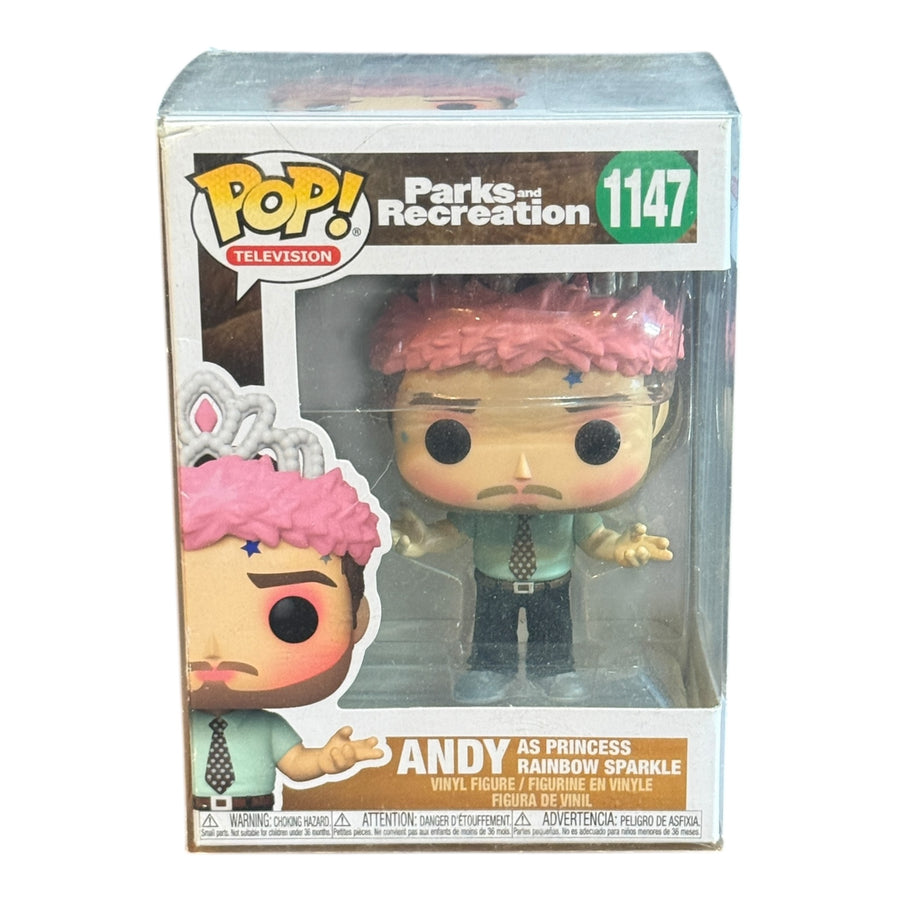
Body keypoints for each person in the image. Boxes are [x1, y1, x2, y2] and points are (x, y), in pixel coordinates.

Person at [371, 275, 682, 704]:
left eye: (595, 439)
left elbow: (594, 537)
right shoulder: (481, 514)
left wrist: (621, 548)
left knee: (554, 635)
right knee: (490, 635)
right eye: (448, 439)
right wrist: (424, 539)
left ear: (657, 416)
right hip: (492, 585)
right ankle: (489, 669)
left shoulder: (569, 513)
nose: (522, 471)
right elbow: (452, 532)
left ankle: (554, 669)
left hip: (553, 585)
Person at [178, 381, 384, 811]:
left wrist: (328, 759)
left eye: (292, 618)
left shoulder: (267, 727)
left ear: (357, 619)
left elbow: (297, 763)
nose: (213, 651)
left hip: (257, 816)